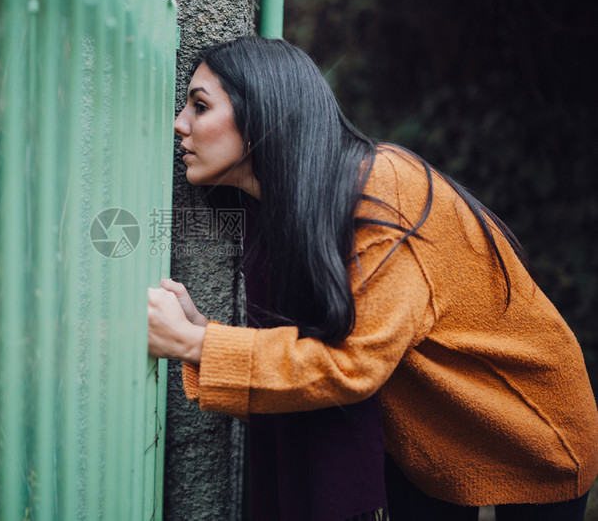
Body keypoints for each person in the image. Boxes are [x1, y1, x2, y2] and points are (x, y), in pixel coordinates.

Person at [147, 36, 598, 521]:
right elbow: (316, 357)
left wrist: (196, 345)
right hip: (424, 443)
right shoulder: (287, 212)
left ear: (261, 112)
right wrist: (205, 334)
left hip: (527, 427)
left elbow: (349, 364)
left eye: (199, 105)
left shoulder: (384, 191)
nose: (179, 124)